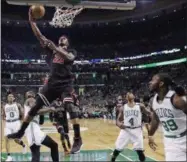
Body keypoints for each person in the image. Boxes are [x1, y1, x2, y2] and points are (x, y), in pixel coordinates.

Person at [7, 8, 82, 154]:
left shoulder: (71, 51)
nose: (62, 38)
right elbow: (40, 36)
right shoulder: (52, 50)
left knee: (69, 106)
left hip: (65, 84)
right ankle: (21, 132)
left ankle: (78, 138)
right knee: (35, 108)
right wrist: (31, 21)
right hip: (52, 84)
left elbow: (70, 58)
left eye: (64, 38)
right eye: (60, 38)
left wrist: (56, 48)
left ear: (67, 42)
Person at [148, 73, 187, 161]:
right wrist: (150, 136)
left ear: (161, 83)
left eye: (153, 80)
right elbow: (155, 119)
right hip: (172, 143)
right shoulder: (153, 100)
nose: (150, 82)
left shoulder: (176, 99)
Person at [111, 92, 150, 162]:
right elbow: (118, 120)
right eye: (127, 94)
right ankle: (112, 159)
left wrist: (155, 113)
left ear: (134, 96)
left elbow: (149, 113)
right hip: (126, 130)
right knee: (117, 149)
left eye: (130, 93)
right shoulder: (123, 107)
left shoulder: (140, 106)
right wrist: (119, 124)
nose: (129, 94)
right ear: (126, 98)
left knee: (140, 151)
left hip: (137, 130)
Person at [24, 91, 59, 162]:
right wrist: (49, 109)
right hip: (31, 126)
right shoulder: (30, 99)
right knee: (36, 153)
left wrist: (42, 110)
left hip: (34, 127)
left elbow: (41, 122)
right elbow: (35, 111)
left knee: (54, 145)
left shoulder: (35, 103)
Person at [2, 93, 26, 161]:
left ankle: (23, 145)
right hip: (8, 124)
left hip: (16, 123)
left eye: (12, 96)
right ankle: (9, 156)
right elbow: (3, 115)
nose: (10, 97)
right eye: (9, 96)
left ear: (14, 98)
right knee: (6, 138)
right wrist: (4, 119)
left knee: (16, 140)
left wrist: (22, 120)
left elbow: (22, 113)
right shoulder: (4, 106)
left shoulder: (17, 105)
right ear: (7, 98)